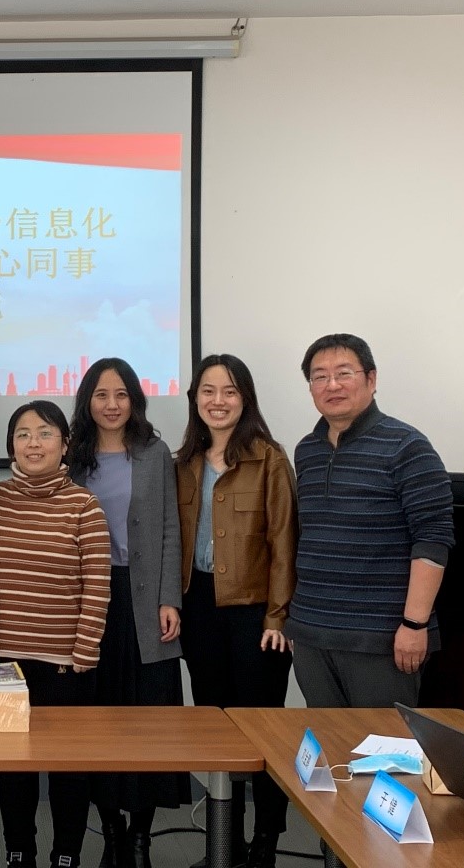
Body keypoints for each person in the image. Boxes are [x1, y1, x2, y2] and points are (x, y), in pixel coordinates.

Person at [174, 356, 297, 868]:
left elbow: (285, 544)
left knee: (262, 731)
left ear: (245, 398)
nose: (218, 401)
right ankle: (227, 844)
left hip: (255, 614)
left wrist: (278, 617)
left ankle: (266, 842)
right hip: (199, 608)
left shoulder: (269, 459)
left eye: (229, 391)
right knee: (218, 732)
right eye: (208, 391)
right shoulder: (184, 461)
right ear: (195, 399)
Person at [287, 333, 453, 710]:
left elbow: (433, 540)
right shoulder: (306, 450)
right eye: (319, 376)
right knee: (329, 742)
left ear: (371, 379)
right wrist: (299, 625)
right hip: (312, 634)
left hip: (382, 639)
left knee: (382, 743)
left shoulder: (408, 446)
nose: (332, 385)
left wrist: (414, 625)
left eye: (344, 373)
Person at [67, 357, 185, 868]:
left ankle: (140, 835)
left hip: (144, 599)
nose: (112, 405)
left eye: (121, 395)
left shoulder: (155, 453)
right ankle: (111, 828)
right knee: (97, 716)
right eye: (101, 395)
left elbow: (170, 529)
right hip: (89, 600)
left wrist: (168, 598)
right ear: (87, 402)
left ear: (135, 400)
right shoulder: (72, 456)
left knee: (149, 716)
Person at [0, 400, 112, 868]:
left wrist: (85, 649)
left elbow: (97, 584)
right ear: (11, 446)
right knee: (13, 769)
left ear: (65, 444)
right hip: (3, 662)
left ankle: (67, 855)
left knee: (68, 768)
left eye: (44, 433)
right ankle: (18, 852)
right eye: (22, 434)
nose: (33, 443)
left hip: (65, 663)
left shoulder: (84, 505)